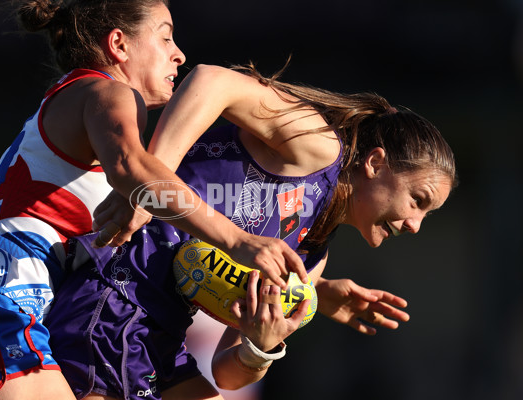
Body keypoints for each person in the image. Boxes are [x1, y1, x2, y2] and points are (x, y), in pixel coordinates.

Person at [0, 2, 306, 399]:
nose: (179, 53)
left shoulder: (76, 101)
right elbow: (131, 168)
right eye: (164, 36)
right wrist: (239, 241)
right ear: (119, 45)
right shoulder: (108, 90)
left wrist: (319, 291)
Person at [45, 63, 456, 399]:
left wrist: (260, 346)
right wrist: (149, 179)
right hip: (110, 298)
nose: (415, 225)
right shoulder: (319, 148)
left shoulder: (310, 255)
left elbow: (226, 374)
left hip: (159, 339)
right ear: (376, 163)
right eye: (418, 200)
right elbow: (212, 80)